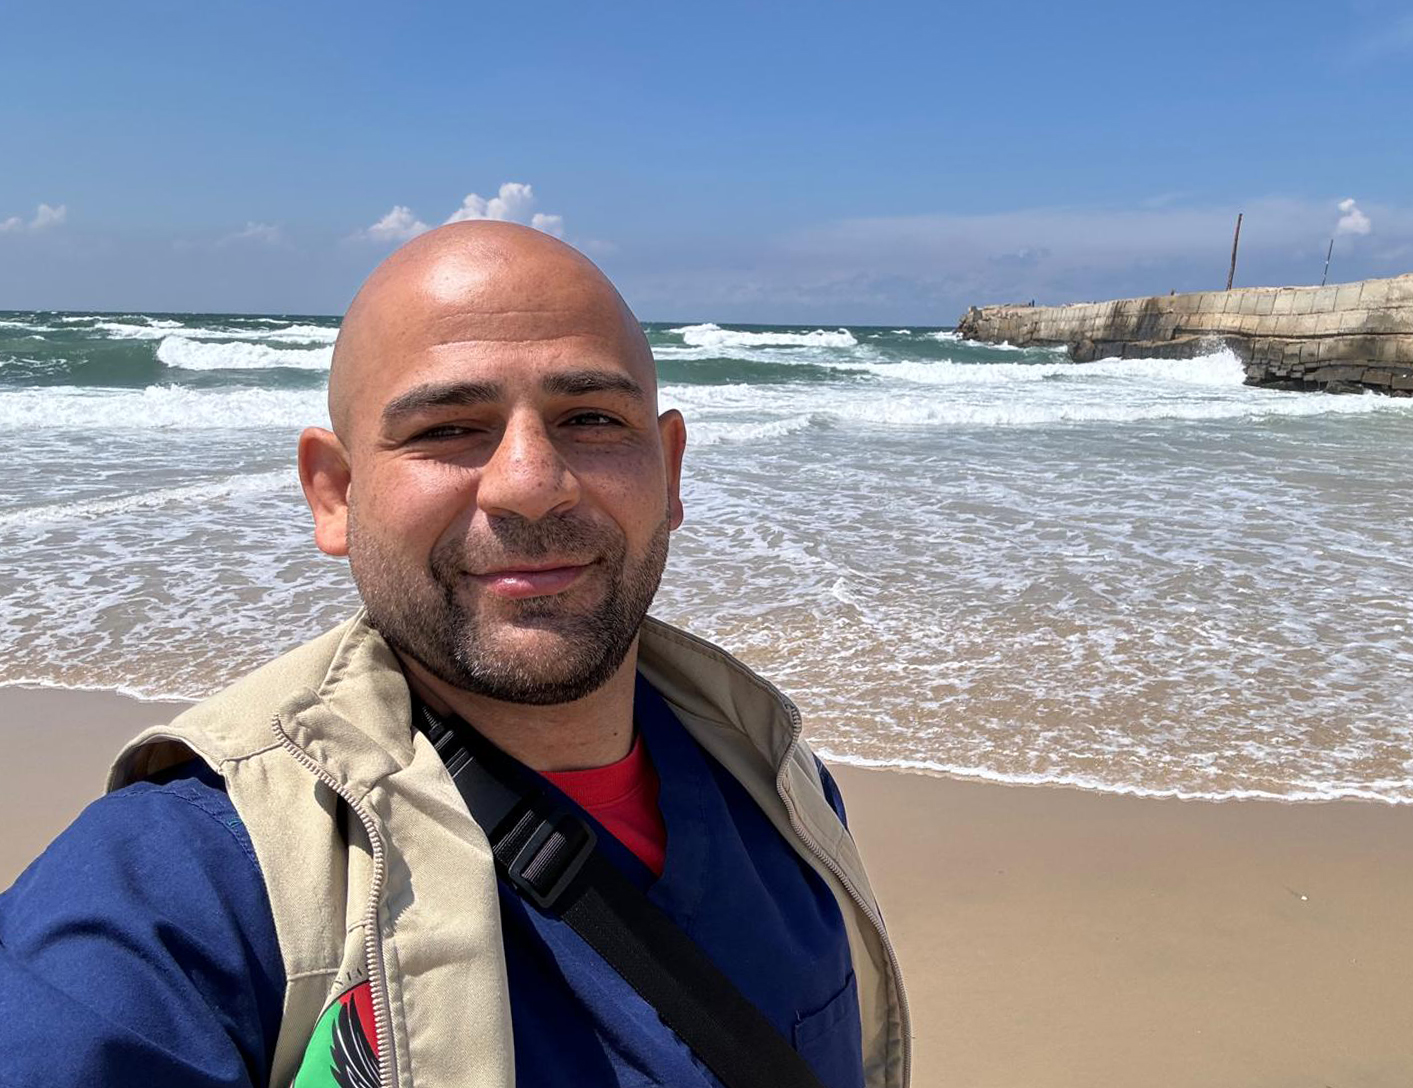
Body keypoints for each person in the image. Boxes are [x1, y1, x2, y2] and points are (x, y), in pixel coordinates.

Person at [0, 221, 909, 1088]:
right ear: (337, 493)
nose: (531, 485)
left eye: (591, 418)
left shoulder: (774, 780)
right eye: (446, 429)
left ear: (669, 473)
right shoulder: (184, 889)